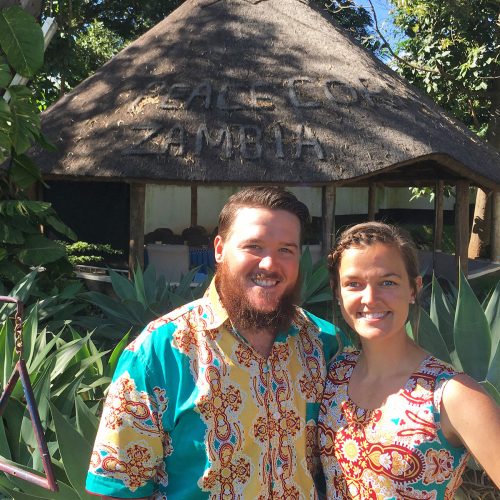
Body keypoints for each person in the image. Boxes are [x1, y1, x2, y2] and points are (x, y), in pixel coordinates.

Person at [86, 186, 343, 499]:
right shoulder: (161, 351)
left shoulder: (324, 344)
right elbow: (117, 487)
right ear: (219, 249)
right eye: (254, 246)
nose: (269, 264)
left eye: (286, 250)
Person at [318, 221, 500, 498]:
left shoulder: (451, 394)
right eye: (353, 284)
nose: (370, 298)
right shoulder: (334, 373)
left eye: (387, 282)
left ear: (414, 289)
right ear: (337, 292)